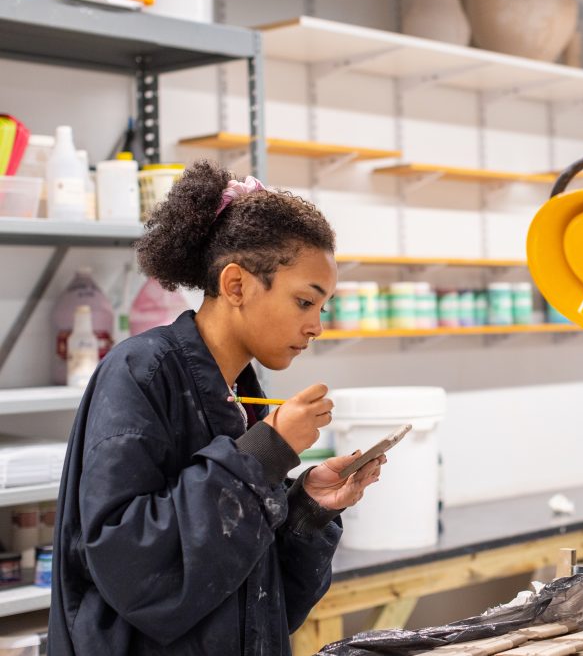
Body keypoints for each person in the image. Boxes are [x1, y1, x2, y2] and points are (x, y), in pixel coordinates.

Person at [49, 161, 384, 655]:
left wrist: (307, 508)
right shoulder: (140, 373)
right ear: (236, 286)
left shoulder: (240, 395)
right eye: (303, 302)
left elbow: (255, 592)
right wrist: (265, 450)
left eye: (323, 307)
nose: (316, 326)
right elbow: (132, 563)